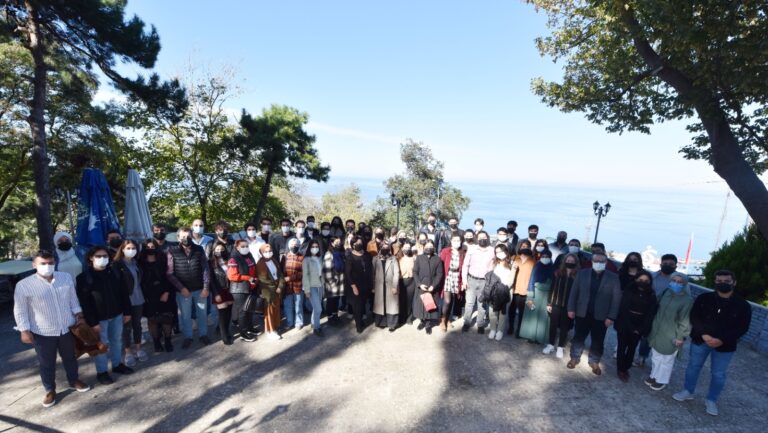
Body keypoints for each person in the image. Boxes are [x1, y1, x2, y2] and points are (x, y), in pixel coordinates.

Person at [13, 250, 91, 407]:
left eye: (50, 263)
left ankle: (74, 380)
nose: (47, 266)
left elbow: (73, 299)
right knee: (46, 362)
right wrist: (24, 330)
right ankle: (49, 389)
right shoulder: (24, 285)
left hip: (67, 328)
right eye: (43, 263)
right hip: (42, 331)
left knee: (70, 357)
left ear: (55, 263)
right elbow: (20, 309)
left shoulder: (65, 278)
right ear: (34, 265)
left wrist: (79, 316)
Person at [673, 270, 751, 416]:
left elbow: (742, 327)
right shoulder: (704, 298)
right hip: (700, 340)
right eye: (719, 281)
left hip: (725, 346)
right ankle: (688, 391)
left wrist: (722, 339)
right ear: (715, 282)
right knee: (693, 367)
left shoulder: (743, 305)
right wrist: (704, 335)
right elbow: (694, 317)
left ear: (734, 283)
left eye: (726, 281)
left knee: (718, 374)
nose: (722, 283)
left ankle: (711, 400)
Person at [77, 246, 134, 384]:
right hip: (98, 319)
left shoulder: (115, 272)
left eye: (105, 256)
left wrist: (127, 312)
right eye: (98, 256)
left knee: (117, 341)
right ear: (91, 258)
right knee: (101, 346)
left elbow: (124, 294)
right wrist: (93, 322)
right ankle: (102, 372)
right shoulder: (83, 277)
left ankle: (117, 365)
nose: (102, 258)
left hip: (117, 314)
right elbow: (85, 302)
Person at [566, 252, 622, 375]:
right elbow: (574, 292)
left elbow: (616, 299)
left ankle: (594, 361)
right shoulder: (582, 273)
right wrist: (571, 309)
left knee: (598, 340)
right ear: (592, 261)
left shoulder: (613, 278)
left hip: (602, 316)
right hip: (582, 312)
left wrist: (611, 316)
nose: (599, 263)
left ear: (606, 263)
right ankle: (574, 357)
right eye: (596, 261)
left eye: (602, 261)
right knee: (578, 337)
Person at [645, 272, 693, 391]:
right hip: (658, 330)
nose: (676, 283)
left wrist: (680, 337)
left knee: (667, 358)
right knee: (656, 355)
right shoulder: (666, 292)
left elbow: (685, 320)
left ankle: (662, 380)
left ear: (684, 284)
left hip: (672, 333)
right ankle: (654, 375)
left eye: (680, 282)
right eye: (674, 280)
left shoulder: (687, 300)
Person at [166, 227, 211, 348]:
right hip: (183, 291)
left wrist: (206, 287)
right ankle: (188, 337)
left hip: (200, 289)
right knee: (186, 316)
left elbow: (205, 269)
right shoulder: (172, 251)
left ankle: (203, 334)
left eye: (189, 236)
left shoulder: (199, 249)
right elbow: (170, 273)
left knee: (202, 314)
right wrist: (181, 288)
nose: (186, 239)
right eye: (183, 237)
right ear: (178, 238)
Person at [636, 253, 681, 367]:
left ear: (676, 266)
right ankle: (642, 357)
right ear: (661, 264)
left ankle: (659, 364)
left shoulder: (679, 281)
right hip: (649, 311)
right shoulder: (652, 277)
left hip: (668, 315)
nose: (668, 266)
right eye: (665, 263)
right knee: (646, 335)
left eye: (671, 264)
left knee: (662, 337)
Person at [614, 270, 657, 382]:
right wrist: (631, 327)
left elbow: (650, 314)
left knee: (632, 348)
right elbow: (623, 309)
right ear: (636, 279)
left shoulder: (651, 295)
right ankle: (620, 369)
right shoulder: (629, 290)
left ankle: (626, 367)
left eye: (646, 281)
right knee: (622, 347)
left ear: (650, 282)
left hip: (640, 325)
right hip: (625, 323)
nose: (643, 282)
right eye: (641, 280)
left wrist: (640, 329)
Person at [112, 240, 146, 368]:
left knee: (137, 325)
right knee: (126, 327)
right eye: (128, 248)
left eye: (133, 248)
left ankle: (138, 349)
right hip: (125, 300)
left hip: (138, 298)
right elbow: (117, 285)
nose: (131, 250)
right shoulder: (116, 265)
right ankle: (128, 352)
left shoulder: (136, 263)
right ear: (122, 249)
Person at [139, 239, 175, 353]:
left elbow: (169, 276)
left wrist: (166, 292)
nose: (150, 249)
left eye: (152, 247)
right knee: (152, 320)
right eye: (147, 247)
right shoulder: (140, 262)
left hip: (164, 292)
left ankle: (168, 341)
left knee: (166, 318)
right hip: (148, 295)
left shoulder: (163, 259)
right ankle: (156, 342)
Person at [543, 253, 579, 358]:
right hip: (555, 304)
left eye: (572, 261)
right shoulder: (558, 273)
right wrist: (549, 302)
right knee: (553, 325)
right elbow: (552, 288)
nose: (570, 262)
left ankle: (560, 347)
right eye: (568, 260)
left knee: (565, 327)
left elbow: (579, 293)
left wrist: (574, 308)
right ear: (564, 261)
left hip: (569, 307)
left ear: (576, 262)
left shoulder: (578, 276)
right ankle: (550, 345)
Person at [461, 230, 495, 334]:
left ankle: (480, 324)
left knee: (482, 304)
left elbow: (494, 266)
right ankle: (466, 322)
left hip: (484, 281)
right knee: (469, 303)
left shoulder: (492, 250)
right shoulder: (472, 249)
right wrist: (464, 281)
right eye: (480, 238)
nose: (482, 239)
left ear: (487, 238)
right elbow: (465, 265)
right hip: (471, 280)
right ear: (477, 238)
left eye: (484, 237)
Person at [519, 249, 554, 344]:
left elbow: (554, 284)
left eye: (547, 257)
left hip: (547, 295)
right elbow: (532, 280)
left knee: (543, 316)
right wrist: (530, 294)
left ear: (550, 258)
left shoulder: (553, 268)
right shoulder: (537, 266)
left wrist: (551, 297)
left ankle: (540, 337)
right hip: (535, 293)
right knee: (532, 313)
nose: (545, 258)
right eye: (543, 256)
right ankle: (530, 336)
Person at [480, 244, 513, 341]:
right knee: (492, 312)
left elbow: (512, 279)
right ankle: (493, 329)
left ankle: (500, 331)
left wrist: (506, 289)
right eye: (497, 252)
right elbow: (488, 277)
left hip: (506, 291)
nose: (499, 253)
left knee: (503, 313)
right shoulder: (493, 263)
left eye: (501, 251)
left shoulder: (511, 264)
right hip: (493, 291)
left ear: (506, 252)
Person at [227, 239, 259, 342]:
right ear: (237, 247)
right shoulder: (233, 259)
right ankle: (243, 333)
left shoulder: (249, 255)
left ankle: (249, 328)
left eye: (246, 246)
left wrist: (255, 279)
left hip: (250, 287)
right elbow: (232, 276)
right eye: (242, 246)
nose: (245, 248)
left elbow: (254, 269)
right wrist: (248, 278)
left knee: (250, 309)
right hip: (239, 289)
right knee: (243, 311)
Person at [256, 244, 285, 340]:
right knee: (269, 311)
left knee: (276, 309)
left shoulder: (274, 260)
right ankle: (270, 330)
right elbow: (263, 280)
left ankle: (275, 327)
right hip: (268, 291)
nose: (268, 253)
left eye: (270, 251)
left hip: (277, 289)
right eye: (266, 252)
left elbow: (280, 274)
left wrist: (280, 286)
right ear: (261, 253)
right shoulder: (260, 263)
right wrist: (275, 287)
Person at [413, 240, 443, 335]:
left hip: (432, 286)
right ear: (424, 247)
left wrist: (433, 286)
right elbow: (415, 272)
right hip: (421, 286)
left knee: (430, 306)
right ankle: (422, 321)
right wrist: (419, 284)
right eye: (427, 246)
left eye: (431, 247)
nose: (429, 248)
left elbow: (439, 274)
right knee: (421, 305)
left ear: (434, 248)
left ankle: (428, 324)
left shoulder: (437, 259)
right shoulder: (419, 258)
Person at [345, 235, 373, 333]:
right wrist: (353, 287)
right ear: (352, 245)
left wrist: (371, 285)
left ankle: (360, 321)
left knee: (362, 305)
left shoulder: (367, 255)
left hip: (365, 285)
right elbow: (348, 274)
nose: (359, 245)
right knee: (357, 307)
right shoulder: (350, 257)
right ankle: (358, 326)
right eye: (356, 243)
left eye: (360, 243)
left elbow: (370, 270)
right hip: (354, 286)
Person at [210, 242, 235, 345]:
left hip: (229, 289)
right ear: (213, 251)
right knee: (222, 313)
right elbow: (211, 280)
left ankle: (227, 331)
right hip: (219, 290)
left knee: (228, 312)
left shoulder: (229, 260)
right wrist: (216, 294)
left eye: (222, 250)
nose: (219, 252)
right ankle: (224, 336)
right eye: (217, 250)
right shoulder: (210, 262)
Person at [439, 233, 465, 332]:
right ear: (451, 241)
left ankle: (448, 319)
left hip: (457, 277)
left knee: (453, 299)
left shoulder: (462, 252)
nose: (456, 242)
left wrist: (462, 282)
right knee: (447, 301)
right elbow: (440, 264)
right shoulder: (445, 251)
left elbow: (463, 267)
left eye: (458, 240)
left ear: (461, 242)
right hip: (448, 276)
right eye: (454, 240)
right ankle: (443, 320)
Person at [508, 247, 535, 338]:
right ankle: (510, 327)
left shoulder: (533, 262)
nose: (522, 256)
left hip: (525, 291)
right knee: (511, 310)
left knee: (523, 313)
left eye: (524, 255)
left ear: (529, 256)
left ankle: (519, 330)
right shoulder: (516, 260)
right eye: (521, 254)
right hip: (514, 290)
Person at [372, 240, 400, 332]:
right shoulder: (375, 259)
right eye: (383, 246)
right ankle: (381, 322)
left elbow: (396, 273)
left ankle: (392, 324)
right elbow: (372, 273)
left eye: (387, 246)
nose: (385, 248)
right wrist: (373, 287)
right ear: (380, 247)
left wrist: (395, 286)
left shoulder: (393, 258)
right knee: (381, 304)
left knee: (391, 305)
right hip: (379, 286)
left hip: (391, 286)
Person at [281, 237, 305, 330]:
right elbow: (281, 271)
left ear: (299, 246)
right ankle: (289, 322)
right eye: (292, 244)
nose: (294, 246)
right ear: (288, 246)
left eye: (296, 245)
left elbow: (303, 273)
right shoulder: (285, 257)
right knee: (288, 306)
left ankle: (299, 322)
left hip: (298, 286)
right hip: (287, 287)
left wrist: (290, 278)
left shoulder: (302, 257)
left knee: (298, 306)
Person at [302, 240, 325, 336]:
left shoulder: (320, 258)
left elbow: (321, 273)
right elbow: (305, 276)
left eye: (316, 247)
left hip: (320, 286)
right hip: (311, 287)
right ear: (309, 248)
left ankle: (313, 322)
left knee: (316, 307)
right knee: (318, 309)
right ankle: (317, 327)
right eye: (313, 247)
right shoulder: (306, 260)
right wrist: (306, 290)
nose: (315, 248)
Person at [323, 236, 346, 326]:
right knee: (330, 301)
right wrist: (331, 282)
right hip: (332, 282)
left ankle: (335, 316)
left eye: (339, 242)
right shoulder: (329, 254)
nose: (338, 244)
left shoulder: (340, 253)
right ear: (332, 243)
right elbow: (327, 270)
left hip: (340, 282)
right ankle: (330, 318)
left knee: (336, 300)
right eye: (336, 242)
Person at [399, 241, 417, 325]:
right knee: (401, 300)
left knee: (409, 301)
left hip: (411, 281)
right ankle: (402, 317)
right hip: (401, 281)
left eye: (408, 248)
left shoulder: (413, 258)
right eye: (405, 247)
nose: (407, 249)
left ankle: (409, 318)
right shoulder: (399, 258)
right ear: (402, 248)